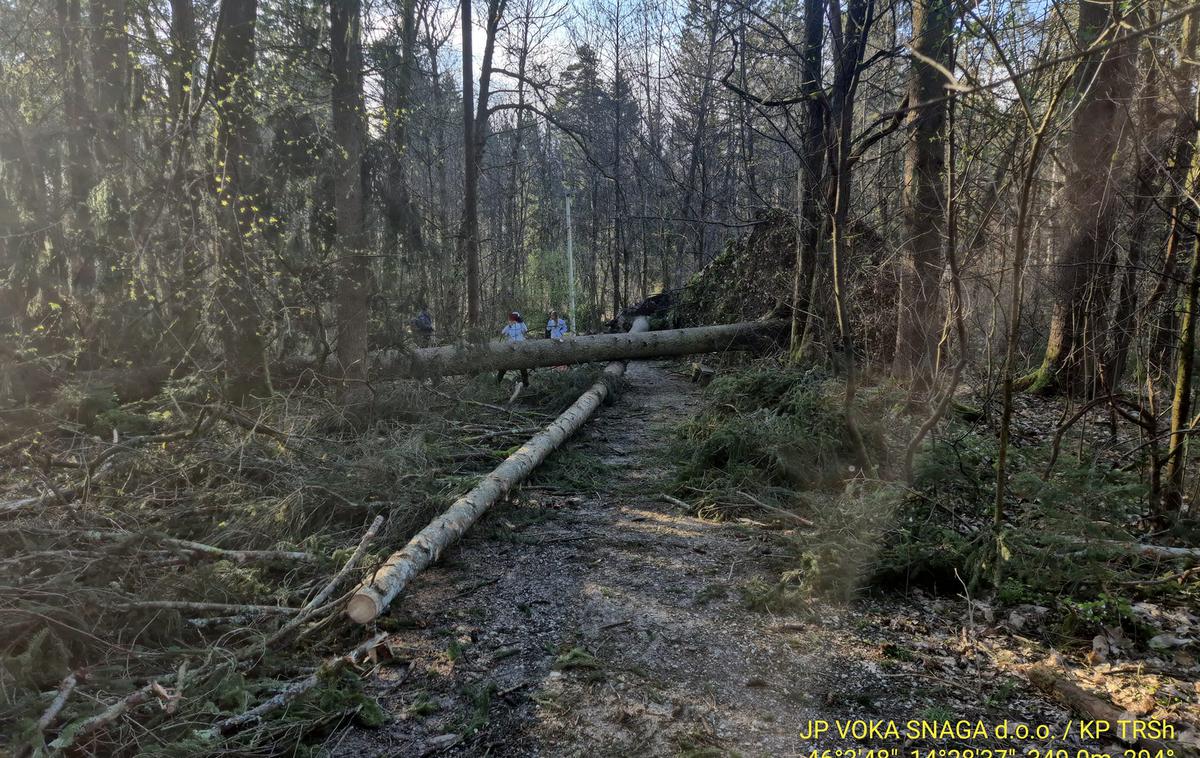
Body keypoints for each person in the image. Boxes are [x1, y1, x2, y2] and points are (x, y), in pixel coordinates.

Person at [497, 312, 530, 385]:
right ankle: (497, 382)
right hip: (510, 348)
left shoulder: (521, 325)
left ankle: (526, 384)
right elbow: (503, 332)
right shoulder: (509, 326)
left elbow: (525, 330)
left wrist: (521, 322)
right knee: (505, 365)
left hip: (520, 347)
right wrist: (509, 325)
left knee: (522, 366)